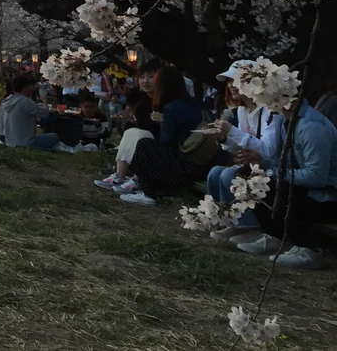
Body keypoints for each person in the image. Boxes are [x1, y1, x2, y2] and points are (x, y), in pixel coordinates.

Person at [233, 97, 337, 268]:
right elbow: (287, 164)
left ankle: (310, 248)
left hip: (327, 198)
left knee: (273, 186)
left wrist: (271, 173)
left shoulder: (312, 127)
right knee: (245, 175)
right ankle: (277, 236)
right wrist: (262, 163)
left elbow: (317, 177)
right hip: (307, 190)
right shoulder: (286, 123)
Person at [120, 66, 225, 206]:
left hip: (188, 166)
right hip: (204, 161)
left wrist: (161, 125)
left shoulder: (172, 108)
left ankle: (147, 193)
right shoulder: (193, 103)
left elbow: (166, 142)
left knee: (144, 144)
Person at [205, 61, 285, 242]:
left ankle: (248, 226)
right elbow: (243, 146)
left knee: (227, 176)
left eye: (236, 80)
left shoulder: (270, 111)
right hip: (252, 164)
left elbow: (269, 151)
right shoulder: (242, 110)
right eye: (229, 81)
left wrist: (232, 131)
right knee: (215, 173)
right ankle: (224, 220)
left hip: (271, 167)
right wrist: (223, 139)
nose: (231, 85)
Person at [0, 73, 65, 151]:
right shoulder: (25, 101)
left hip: (10, 142)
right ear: (25, 87)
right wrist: (45, 102)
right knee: (54, 136)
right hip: (26, 143)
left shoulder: (6, 102)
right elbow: (44, 113)